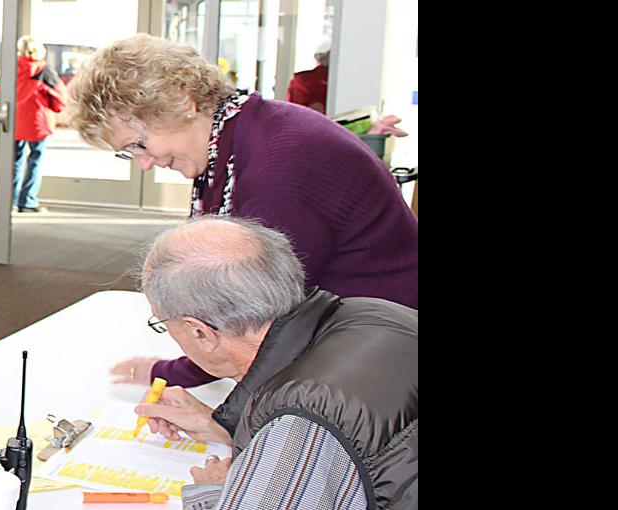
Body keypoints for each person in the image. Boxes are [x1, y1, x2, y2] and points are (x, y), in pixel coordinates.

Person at [69, 34, 417, 439]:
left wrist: (223, 420)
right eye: (130, 152)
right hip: (357, 341)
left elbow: (265, 317)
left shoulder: (278, 164)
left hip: (385, 359)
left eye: (141, 144)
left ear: (181, 101)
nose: (144, 164)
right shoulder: (241, 139)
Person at [134, 217, 417, 510]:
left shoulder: (301, 424)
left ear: (200, 332)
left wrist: (215, 494)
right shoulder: (369, 313)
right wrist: (222, 426)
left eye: (163, 323)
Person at [9, 35, 67, 213]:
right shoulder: (43, 71)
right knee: (34, 160)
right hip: (37, 124)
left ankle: (8, 201)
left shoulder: (11, 68)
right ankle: (27, 201)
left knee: (14, 162)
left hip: (15, 122)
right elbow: (60, 96)